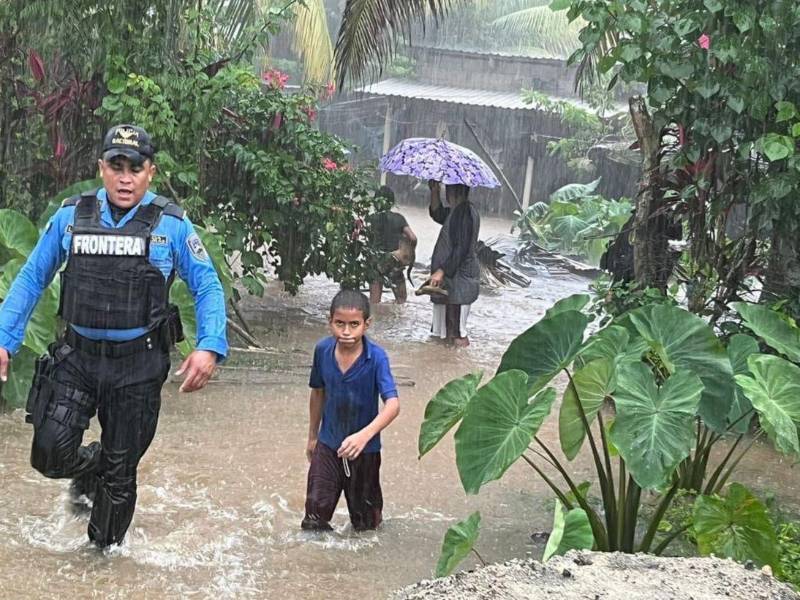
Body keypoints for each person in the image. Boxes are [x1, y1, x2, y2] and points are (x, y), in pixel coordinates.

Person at [0, 124, 228, 548]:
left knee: (120, 477)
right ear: (101, 168)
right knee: (49, 454)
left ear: (150, 173)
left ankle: (99, 563)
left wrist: (209, 345)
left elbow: (208, 286)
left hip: (138, 367)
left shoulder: (172, 226)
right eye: (117, 166)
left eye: (135, 168)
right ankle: (91, 467)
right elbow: (32, 277)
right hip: (77, 360)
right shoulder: (71, 217)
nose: (126, 178)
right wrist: (4, 338)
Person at [302, 289, 400, 531]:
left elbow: (393, 405)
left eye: (354, 324)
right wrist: (313, 437)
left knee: (366, 527)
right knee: (314, 517)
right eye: (340, 324)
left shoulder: (376, 358)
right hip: (328, 444)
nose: (346, 332)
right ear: (330, 322)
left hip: (364, 451)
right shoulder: (323, 350)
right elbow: (318, 393)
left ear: (367, 324)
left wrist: (364, 436)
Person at [427, 180, 480, 347]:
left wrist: (441, 271)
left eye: (446, 189)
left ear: (453, 190)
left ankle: (458, 366)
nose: (446, 193)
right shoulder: (457, 211)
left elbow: (462, 248)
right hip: (450, 282)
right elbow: (438, 214)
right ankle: (446, 365)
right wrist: (434, 192)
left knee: (457, 335)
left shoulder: (465, 213)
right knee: (442, 334)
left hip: (459, 283)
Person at [367, 186, 417, 304]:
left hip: (376, 261)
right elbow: (413, 238)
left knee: (374, 303)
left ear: (375, 201)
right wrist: (408, 253)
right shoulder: (399, 218)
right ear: (392, 202)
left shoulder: (371, 219)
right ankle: (396, 321)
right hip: (394, 261)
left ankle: (376, 321)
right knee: (401, 302)